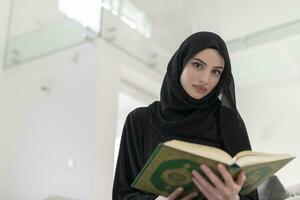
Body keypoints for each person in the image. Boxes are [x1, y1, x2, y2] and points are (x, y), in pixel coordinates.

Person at [112, 31, 259, 200]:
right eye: (198, 65)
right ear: (180, 63)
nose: (205, 79)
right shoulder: (140, 121)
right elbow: (121, 195)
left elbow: (251, 196)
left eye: (216, 72)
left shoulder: (229, 122)